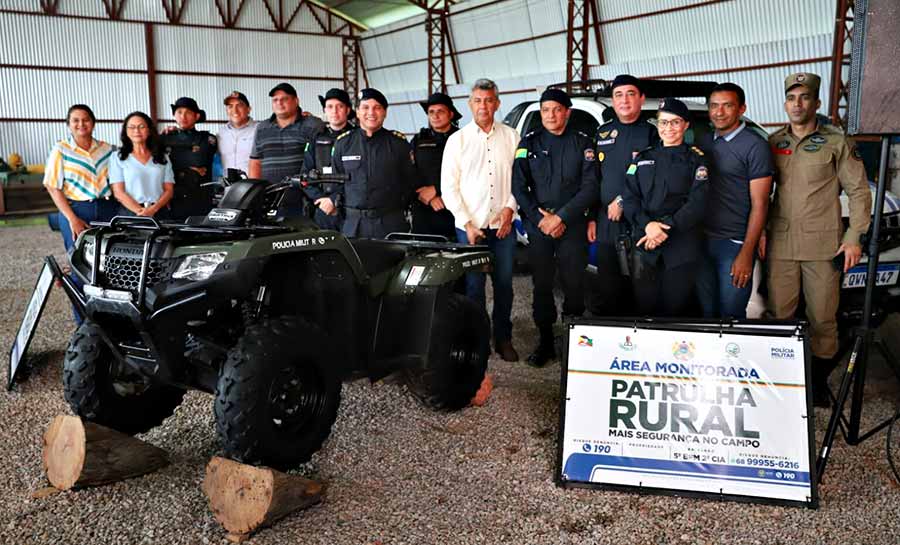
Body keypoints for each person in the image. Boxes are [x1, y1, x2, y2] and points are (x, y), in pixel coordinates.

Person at [764, 72, 871, 406]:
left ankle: (818, 381)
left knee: (824, 317)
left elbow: (858, 192)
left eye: (805, 97)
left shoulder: (836, 142)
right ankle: (785, 382)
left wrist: (854, 236)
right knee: (780, 316)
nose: (798, 104)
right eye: (792, 98)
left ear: (817, 102)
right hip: (780, 243)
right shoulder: (773, 142)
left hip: (822, 246)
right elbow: (761, 192)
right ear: (785, 103)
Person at [512, 89, 599, 367]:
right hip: (539, 228)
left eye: (557, 109)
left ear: (567, 112)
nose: (551, 115)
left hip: (571, 226)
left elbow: (590, 187)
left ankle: (571, 344)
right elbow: (518, 186)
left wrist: (560, 218)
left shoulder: (583, 143)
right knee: (542, 286)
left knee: (574, 286)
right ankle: (546, 341)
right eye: (546, 109)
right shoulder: (529, 143)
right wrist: (541, 221)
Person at [441, 78, 521, 362]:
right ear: (470, 104)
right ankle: (478, 340)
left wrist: (510, 209)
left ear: (497, 104)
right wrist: (467, 224)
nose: (483, 106)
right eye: (478, 100)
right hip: (470, 227)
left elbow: (521, 181)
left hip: (504, 226)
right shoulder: (457, 141)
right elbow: (449, 188)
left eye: (489, 100)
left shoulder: (512, 137)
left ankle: (503, 338)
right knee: (473, 287)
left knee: (504, 285)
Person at [622, 98, 710, 317]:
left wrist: (662, 229)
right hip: (645, 244)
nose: (668, 128)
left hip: (681, 246)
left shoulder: (697, 160)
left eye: (675, 122)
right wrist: (649, 226)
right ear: (657, 125)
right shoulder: (642, 158)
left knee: (676, 309)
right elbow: (630, 198)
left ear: (685, 125)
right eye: (663, 123)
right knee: (645, 308)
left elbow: (698, 203)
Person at [696, 83, 774, 319]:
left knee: (730, 317)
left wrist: (746, 254)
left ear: (741, 109)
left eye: (727, 106)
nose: (719, 112)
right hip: (700, 240)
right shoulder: (703, 141)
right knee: (705, 314)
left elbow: (760, 203)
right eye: (714, 106)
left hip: (733, 243)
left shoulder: (755, 146)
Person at [587, 75, 659, 316]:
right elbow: (595, 179)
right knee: (609, 287)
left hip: (639, 222)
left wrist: (620, 200)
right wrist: (591, 217)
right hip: (607, 223)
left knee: (643, 289)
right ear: (612, 100)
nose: (624, 100)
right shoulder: (602, 133)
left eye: (630, 94)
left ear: (641, 99)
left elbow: (654, 180)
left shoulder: (653, 133)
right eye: (619, 95)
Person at [43, 104, 117, 323]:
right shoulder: (61, 149)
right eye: (75, 120)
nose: (81, 124)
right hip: (77, 210)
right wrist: (72, 219)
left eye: (85, 119)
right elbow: (53, 187)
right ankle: (83, 324)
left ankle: (109, 321)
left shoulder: (108, 149)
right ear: (69, 125)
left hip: (107, 209)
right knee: (80, 267)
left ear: (93, 123)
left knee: (108, 264)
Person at [330, 88, 414, 238]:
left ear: (385, 112)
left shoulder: (398, 143)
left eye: (377, 108)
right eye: (365, 107)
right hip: (353, 224)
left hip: (390, 223)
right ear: (357, 111)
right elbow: (336, 183)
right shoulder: (343, 144)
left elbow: (409, 182)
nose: (371, 113)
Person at [249, 82, 323, 217]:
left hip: (305, 201)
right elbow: (255, 162)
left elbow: (322, 162)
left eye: (284, 99)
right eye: (275, 100)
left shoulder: (313, 125)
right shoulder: (261, 128)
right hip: (271, 201)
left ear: (296, 101)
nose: (279, 103)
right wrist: (255, 194)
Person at [410, 92, 463, 241]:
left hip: (456, 214)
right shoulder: (418, 140)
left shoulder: (463, 139)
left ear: (451, 114)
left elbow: (470, 173)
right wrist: (426, 195)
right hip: (424, 213)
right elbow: (409, 171)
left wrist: (437, 189)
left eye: (440, 111)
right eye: (431, 112)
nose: (435, 116)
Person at [302, 88, 355, 230]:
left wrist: (335, 199)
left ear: (348, 110)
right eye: (330, 107)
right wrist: (321, 200)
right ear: (325, 110)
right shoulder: (316, 139)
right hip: (322, 208)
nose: (334, 111)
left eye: (340, 106)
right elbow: (305, 176)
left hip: (351, 210)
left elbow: (361, 177)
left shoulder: (358, 138)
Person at [109, 112, 175, 219]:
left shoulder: (162, 156)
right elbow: (118, 192)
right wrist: (140, 211)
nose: (136, 131)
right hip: (130, 213)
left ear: (149, 130)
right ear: (125, 131)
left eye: (141, 127)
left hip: (159, 212)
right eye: (131, 127)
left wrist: (153, 209)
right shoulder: (117, 157)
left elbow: (169, 190)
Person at [161, 97, 217, 220]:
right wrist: (190, 169)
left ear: (196, 116)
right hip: (174, 198)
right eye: (179, 112)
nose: (183, 116)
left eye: (188, 113)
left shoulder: (207, 139)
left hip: (200, 197)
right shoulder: (165, 138)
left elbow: (199, 161)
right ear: (174, 115)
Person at [218, 91, 257, 174]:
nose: (234, 110)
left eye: (239, 105)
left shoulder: (259, 130)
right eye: (230, 106)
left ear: (248, 109)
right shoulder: (221, 133)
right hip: (229, 186)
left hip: (253, 185)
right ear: (226, 110)